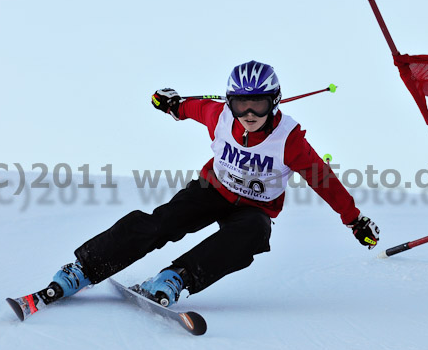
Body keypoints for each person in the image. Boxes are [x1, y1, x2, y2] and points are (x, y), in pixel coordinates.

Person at [35, 60, 380, 309]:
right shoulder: (220, 115)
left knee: (254, 235)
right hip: (211, 189)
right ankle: (84, 268)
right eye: (241, 102)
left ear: (273, 102)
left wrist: (354, 219)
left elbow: (324, 180)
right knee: (161, 223)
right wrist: (170, 103)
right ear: (230, 101)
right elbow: (188, 107)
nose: (249, 112)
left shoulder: (289, 140)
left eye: (257, 103)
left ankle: (175, 278)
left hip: (254, 207)